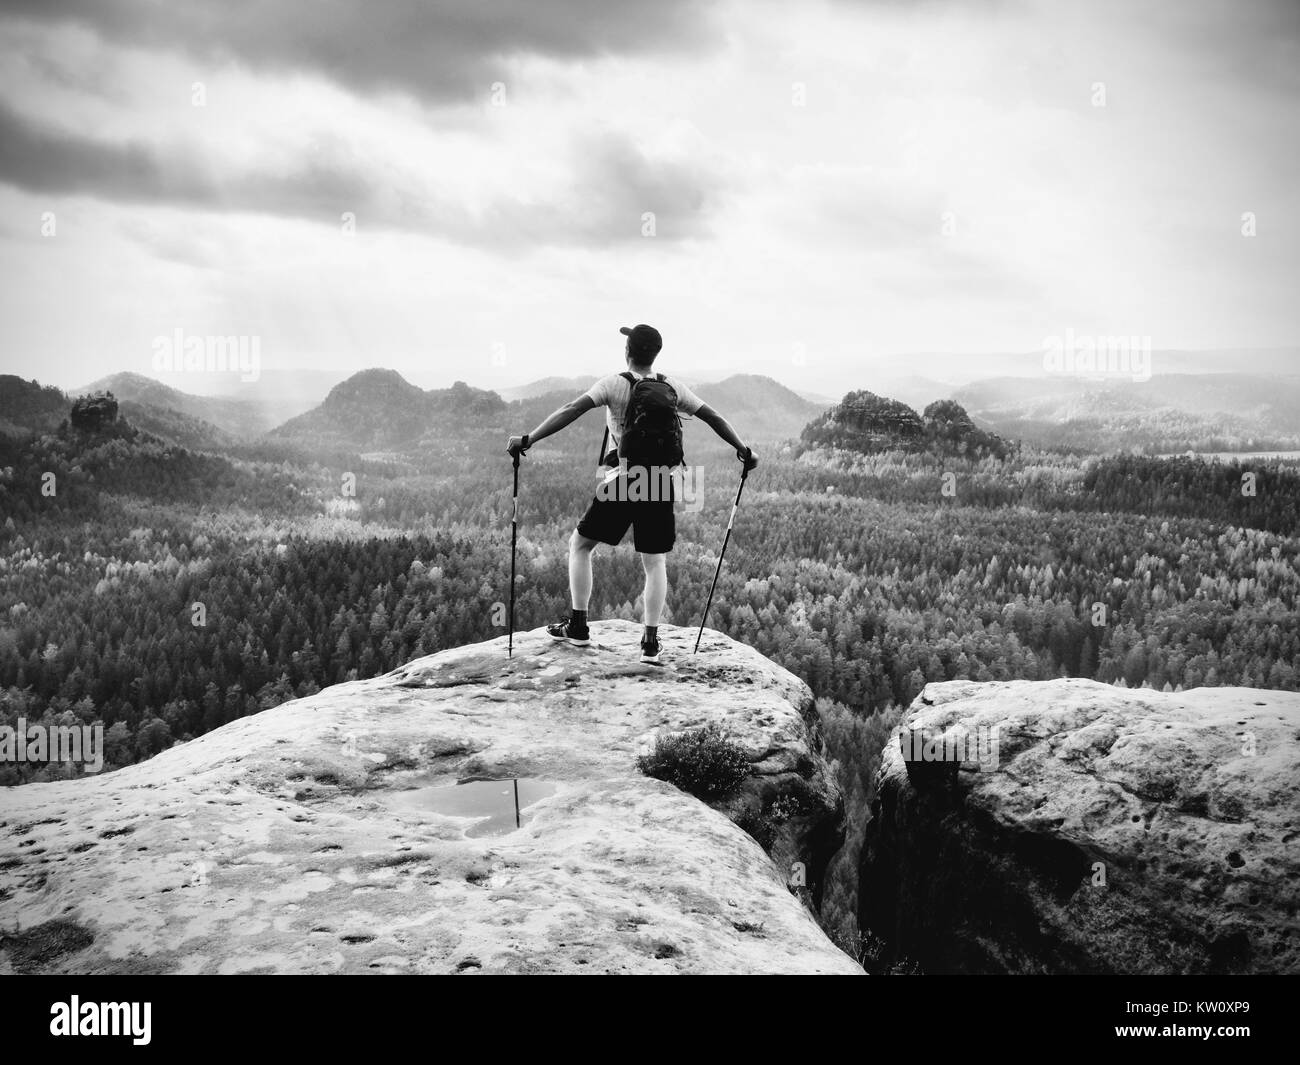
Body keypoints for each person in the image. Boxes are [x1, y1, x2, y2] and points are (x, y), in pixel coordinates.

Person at [507, 323, 757, 663]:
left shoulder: (614, 384)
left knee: (580, 545)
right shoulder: (672, 387)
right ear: (655, 354)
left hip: (624, 479)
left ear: (628, 352)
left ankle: (578, 628)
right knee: (654, 563)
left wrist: (529, 439)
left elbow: (570, 410)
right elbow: (712, 416)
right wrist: (743, 449)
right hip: (659, 481)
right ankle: (650, 644)